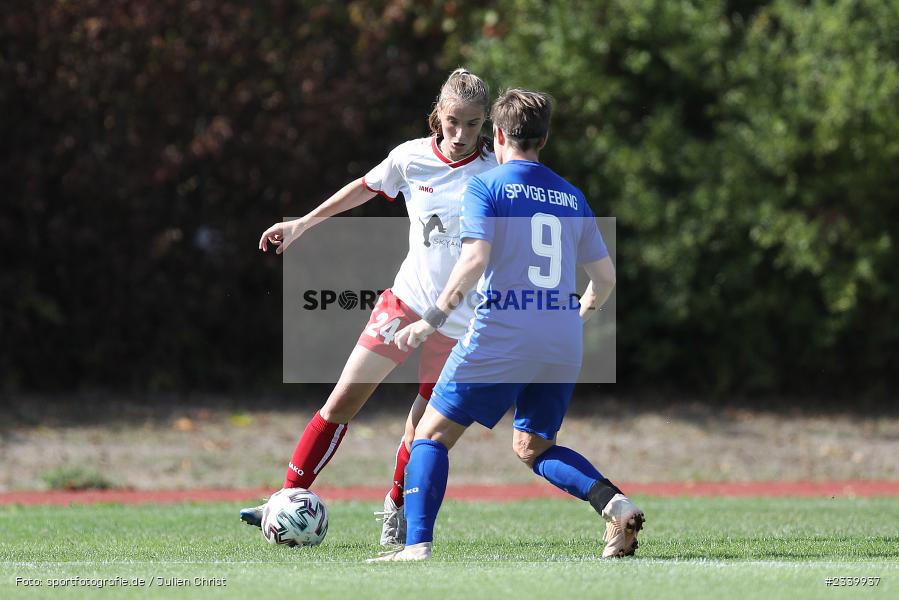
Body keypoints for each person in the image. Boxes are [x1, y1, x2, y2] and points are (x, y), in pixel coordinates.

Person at [370, 89, 643, 561]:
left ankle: (415, 546)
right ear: (544, 139)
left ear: (497, 134)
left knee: (429, 434)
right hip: (561, 339)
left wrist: (431, 319)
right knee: (533, 446)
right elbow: (605, 279)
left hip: (502, 332)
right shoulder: (571, 195)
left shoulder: (487, 186)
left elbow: (474, 259)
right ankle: (614, 504)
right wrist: (578, 315)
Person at [241, 69, 498, 546]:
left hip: (461, 325)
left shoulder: (496, 168)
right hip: (405, 304)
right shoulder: (411, 157)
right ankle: (286, 497)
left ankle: (396, 507)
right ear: (437, 115)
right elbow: (364, 186)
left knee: (420, 431)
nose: (461, 134)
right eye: (453, 121)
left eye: (473, 124)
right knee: (341, 401)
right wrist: (304, 223)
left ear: (486, 123)